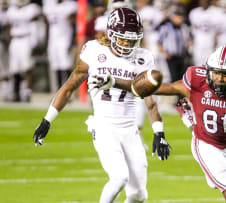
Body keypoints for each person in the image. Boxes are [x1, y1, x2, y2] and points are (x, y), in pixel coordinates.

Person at [91, 46, 226, 203]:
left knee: (218, 184)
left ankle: (190, 120)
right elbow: (159, 88)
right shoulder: (196, 80)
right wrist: (114, 81)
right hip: (204, 145)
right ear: (208, 70)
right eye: (216, 73)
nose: (220, 79)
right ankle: (193, 124)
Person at [32, 7, 171, 203]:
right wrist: (47, 120)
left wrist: (159, 132)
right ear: (112, 34)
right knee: (119, 178)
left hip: (131, 131)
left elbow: (150, 100)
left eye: (132, 39)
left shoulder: (143, 58)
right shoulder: (94, 50)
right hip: (105, 127)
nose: (127, 44)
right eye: (123, 38)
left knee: (138, 195)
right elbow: (69, 87)